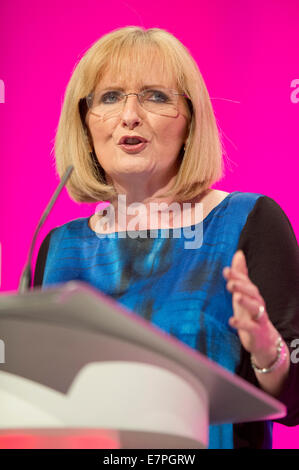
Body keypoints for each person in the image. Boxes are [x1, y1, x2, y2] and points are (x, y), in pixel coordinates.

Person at [33, 26, 299, 449]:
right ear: (84, 123)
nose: (130, 115)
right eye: (109, 97)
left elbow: (294, 397)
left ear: (191, 121)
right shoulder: (58, 249)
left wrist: (269, 353)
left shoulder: (247, 221)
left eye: (156, 96)